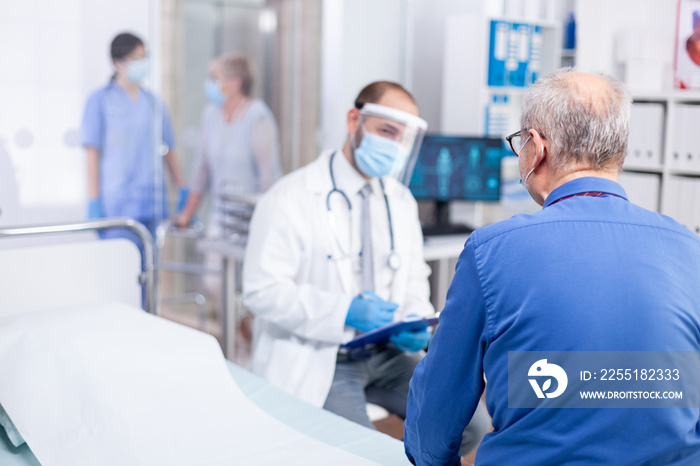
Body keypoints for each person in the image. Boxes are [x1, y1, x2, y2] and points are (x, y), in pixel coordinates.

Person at [404, 69, 700, 465]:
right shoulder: (690, 248)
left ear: (537, 148)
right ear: (619, 152)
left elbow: (435, 419)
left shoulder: (491, 251)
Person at [243, 81, 491, 456]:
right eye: (386, 131)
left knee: (470, 424)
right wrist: (345, 311)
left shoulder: (399, 199)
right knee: (359, 452)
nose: (393, 146)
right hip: (325, 353)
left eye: (403, 138)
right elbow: (261, 291)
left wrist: (414, 320)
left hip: (387, 351)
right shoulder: (290, 197)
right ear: (354, 119)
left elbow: (411, 278)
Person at [82, 32, 187, 242]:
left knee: (150, 269)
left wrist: (182, 186)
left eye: (144, 57)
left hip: (152, 203)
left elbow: (169, 149)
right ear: (117, 62)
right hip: (116, 205)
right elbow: (92, 153)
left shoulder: (154, 102)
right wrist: (94, 201)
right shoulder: (100, 100)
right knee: (120, 268)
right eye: (136, 58)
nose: (142, 63)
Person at [175, 52, 282, 231]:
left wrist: (270, 226)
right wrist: (187, 214)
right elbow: (201, 171)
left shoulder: (257, 117)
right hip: (219, 218)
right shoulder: (210, 114)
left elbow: (268, 178)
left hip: (252, 219)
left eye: (215, 78)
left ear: (236, 82)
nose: (209, 84)